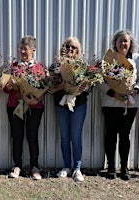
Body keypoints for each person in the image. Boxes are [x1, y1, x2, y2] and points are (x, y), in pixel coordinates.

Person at [98, 30, 139, 180]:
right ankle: (111, 166)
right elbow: (100, 80)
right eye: (120, 41)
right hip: (110, 103)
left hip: (129, 104)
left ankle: (124, 167)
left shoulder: (136, 59)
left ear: (130, 43)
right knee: (111, 134)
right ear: (115, 43)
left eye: (126, 41)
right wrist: (113, 93)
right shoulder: (108, 58)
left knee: (125, 135)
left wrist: (136, 90)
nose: (123, 43)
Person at [48, 37, 90, 182]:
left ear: (78, 50)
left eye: (73, 47)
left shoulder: (83, 66)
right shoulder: (55, 66)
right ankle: (66, 167)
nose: (70, 49)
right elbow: (50, 87)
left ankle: (77, 168)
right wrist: (60, 86)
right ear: (63, 48)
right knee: (65, 136)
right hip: (61, 105)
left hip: (78, 105)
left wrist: (84, 87)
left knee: (76, 136)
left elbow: (89, 85)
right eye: (67, 46)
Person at [4, 35, 45, 180]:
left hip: (35, 107)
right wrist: (10, 85)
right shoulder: (13, 67)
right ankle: (17, 165)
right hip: (15, 106)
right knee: (17, 136)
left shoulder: (39, 68)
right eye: (20, 48)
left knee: (32, 136)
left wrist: (35, 99)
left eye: (25, 49)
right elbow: (5, 88)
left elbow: (44, 88)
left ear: (33, 50)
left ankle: (34, 166)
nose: (22, 52)